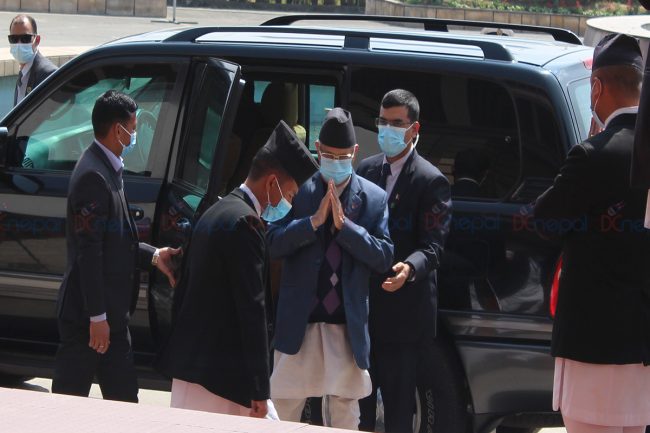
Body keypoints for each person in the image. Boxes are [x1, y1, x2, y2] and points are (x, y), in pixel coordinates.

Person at [156, 121, 319, 418]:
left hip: (194, 370)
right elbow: (252, 309)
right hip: (221, 380)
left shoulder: (216, 210)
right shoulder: (247, 224)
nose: (289, 203)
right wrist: (259, 389)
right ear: (272, 183)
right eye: (291, 195)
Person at [534, 33, 650, 433]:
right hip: (642, 344)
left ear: (597, 88)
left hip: (593, 342)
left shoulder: (593, 155)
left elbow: (545, 220)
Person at [268, 107, 394, 430]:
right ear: (317, 150)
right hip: (300, 324)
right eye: (328, 155)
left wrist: (345, 228)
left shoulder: (374, 199)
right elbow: (272, 243)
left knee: (345, 418)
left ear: (355, 153)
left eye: (342, 156)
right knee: (282, 413)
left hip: (346, 328)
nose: (335, 162)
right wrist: (312, 223)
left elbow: (383, 257)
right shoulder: (297, 191)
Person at [52, 90, 181, 402]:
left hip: (112, 319)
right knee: (66, 405)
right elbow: (89, 254)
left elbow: (116, 242)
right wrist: (97, 318)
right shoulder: (92, 176)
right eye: (133, 128)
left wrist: (154, 256)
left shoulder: (109, 167)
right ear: (116, 130)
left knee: (125, 403)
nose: (135, 135)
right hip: (88, 321)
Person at [356, 89, 452, 433]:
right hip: (365, 312)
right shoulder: (366, 170)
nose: (387, 130)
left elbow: (434, 246)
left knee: (398, 413)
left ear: (414, 129)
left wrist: (409, 268)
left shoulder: (430, 180)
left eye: (396, 124)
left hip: (403, 317)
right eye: (383, 122)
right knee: (359, 409)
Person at [8, 14, 57, 106]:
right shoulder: (23, 72)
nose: (19, 44)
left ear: (37, 40)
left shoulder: (48, 73)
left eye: (25, 38)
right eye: (13, 39)